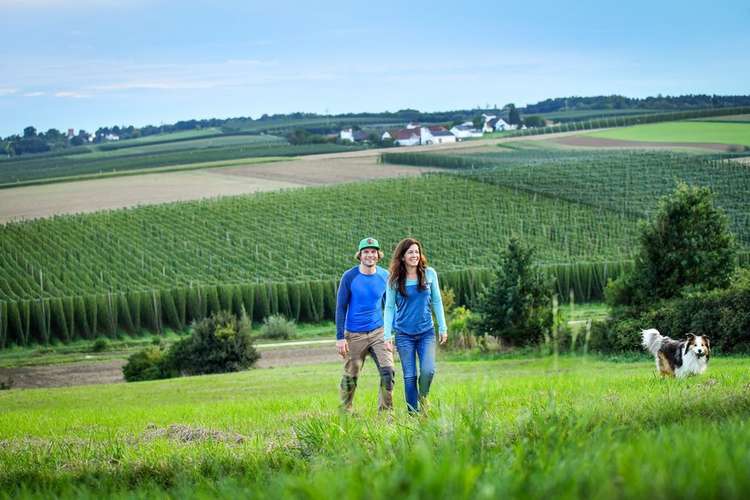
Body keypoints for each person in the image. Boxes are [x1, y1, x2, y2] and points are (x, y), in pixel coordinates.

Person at [384, 237, 447, 413]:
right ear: (402, 256)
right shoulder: (394, 280)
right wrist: (387, 335)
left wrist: (442, 326)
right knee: (410, 376)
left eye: (417, 251)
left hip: (426, 333)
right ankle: (413, 414)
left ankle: (423, 398)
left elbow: (437, 301)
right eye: (410, 252)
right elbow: (389, 308)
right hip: (404, 335)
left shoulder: (430, 274)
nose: (415, 255)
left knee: (428, 370)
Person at [336, 237, 394, 412]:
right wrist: (340, 338)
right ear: (360, 255)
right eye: (366, 252)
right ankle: (345, 411)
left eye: (373, 251)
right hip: (354, 334)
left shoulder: (385, 276)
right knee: (351, 376)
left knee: (388, 372)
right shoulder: (349, 277)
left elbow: (390, 306)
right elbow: (340, 307)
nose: (370, 255)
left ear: (378, 255)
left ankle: (386, 412)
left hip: (379, 332)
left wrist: (390, 333)